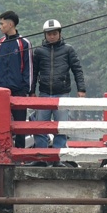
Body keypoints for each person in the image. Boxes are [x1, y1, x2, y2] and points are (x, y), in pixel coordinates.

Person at [30, 18, 85, 149]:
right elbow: (34, 72)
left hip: (63, 94)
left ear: (60, 33)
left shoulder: (68, 50)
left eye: (55, 33)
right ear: (45, 35)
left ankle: (57, 156)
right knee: (40, 127)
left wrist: (81, 89)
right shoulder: (39, 52)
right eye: (49, 34)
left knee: (61, 127)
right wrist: (32, 91)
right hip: (43, 94)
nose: (52, 36)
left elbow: (77, 69)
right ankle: (41, 156)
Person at [0, 10, 31, 97]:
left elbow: (29, 68)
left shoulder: (24, 43)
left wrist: (26, 90)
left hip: (18, 92)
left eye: (2, 24)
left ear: (10, 24)